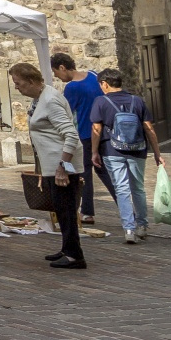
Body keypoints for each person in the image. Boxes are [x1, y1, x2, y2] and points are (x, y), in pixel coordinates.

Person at [12, 62, 85, 268]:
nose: (17, 87)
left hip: (61, 164)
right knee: (60, 209)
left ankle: (74, 255)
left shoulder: (50, 100)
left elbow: (70, 134)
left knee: (66, 208)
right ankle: (67, 247)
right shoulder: (40, 98)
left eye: (19, 83)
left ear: (32, 81)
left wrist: (63, 167)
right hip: (52, 164)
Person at [89, 67, 163, 243]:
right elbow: (149, 128)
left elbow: (97, 129)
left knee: (121, 189)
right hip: (137, 149)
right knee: (138, 188)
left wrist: (94, 151)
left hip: (112, 150)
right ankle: (142, 226)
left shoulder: (100, 102)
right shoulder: (136, 101)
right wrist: (157, 153)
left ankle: (128, 229)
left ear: (104, 84)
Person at [51, 53, 106, 225]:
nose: (56, 77)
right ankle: (126, 208)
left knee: (85, 173)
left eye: (56, 72)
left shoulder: (72, 87)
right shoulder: (94, 75)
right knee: (105, 171)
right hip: (104, 131)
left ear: (62, 67)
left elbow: (66, 111)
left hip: (85, 133)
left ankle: (87, 212)